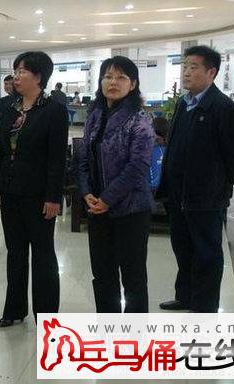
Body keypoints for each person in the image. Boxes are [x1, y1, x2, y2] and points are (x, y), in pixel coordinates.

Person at [157, 45, 234, 313]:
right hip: (179, 194)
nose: (186, 72)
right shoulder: (184, 103)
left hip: (206, 197)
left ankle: (204, 307)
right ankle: (186, 296)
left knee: (206, 253)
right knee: (183, 248)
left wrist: (219, 185)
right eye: (185, 66)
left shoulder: (221, 107)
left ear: (212, 72)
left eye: (193, 67)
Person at [0, 51, 68, 327]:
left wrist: (53, 197)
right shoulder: (10, 108)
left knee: (43, 255)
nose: (16, 76)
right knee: (15, 253)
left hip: (39, 195)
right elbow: (3, 152)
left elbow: (57, 158)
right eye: (16, 71)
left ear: (38, 76)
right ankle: (14, 309)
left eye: (22, 71)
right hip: (11, 192)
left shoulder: (54, 110)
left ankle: (46, 316)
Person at [77, 56, 155, 313]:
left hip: (131, 209)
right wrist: (86, 192)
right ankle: (108, 327)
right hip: (97, 208)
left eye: (121, 77)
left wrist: (107, 199)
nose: (113, 82)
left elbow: (138, 167)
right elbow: (83, 158)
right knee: (102, 274)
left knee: (133, 277)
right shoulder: (95, 116)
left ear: (133, 84)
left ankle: (134, 333)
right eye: (108, 76)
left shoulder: (140, 119)